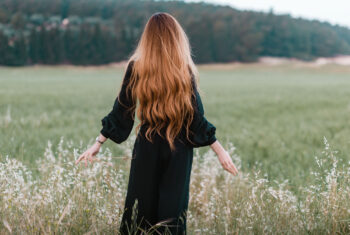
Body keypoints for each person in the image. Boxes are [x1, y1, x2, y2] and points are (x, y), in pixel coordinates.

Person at [75, 12, 238, 235]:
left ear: (148, 38)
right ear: (176, 37)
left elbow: (121, 110)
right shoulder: (184, 71)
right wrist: (220, 151)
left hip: (147, 145)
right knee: (172, 217)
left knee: (139, 214)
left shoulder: (137, 67)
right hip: (179, 149)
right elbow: (196, 118)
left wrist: (98, 143)